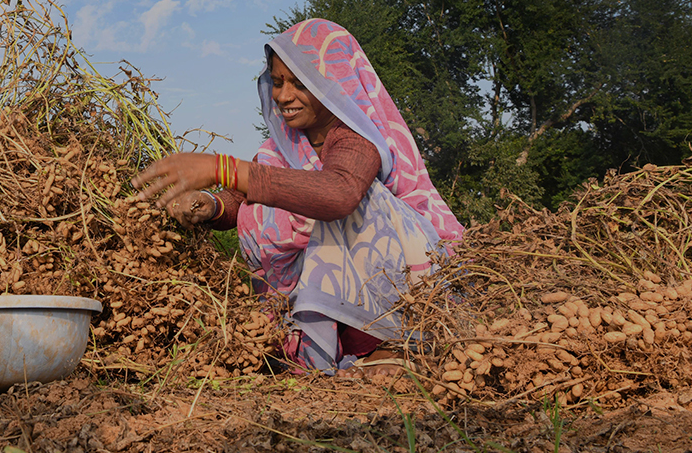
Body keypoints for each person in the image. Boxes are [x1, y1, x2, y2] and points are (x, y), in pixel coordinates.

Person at [132, 19, 464, 378]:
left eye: (300, 83)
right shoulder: (281, 149)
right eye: (277, 82)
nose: (283, 96)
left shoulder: (355, 138)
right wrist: (210, 205)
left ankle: (389, 345)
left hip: (402, 296)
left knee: (353, 204)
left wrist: (221, 167)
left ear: (331, 83)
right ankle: (317, 348)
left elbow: (338, 194)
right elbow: (243, 200)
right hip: (332, 309)